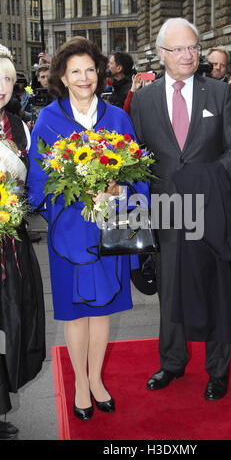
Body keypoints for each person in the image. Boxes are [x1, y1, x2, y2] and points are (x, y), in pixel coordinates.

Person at [131, 18, 231, 401]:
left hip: (210, 205)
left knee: (215, 287)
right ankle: (172, 361)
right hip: (166, 205)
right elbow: (137, 159)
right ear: (161, 54)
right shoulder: (145, 100)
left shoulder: (218, 93)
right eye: (179, 49)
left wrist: (213, 175)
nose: (188, 54)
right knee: (170, 286)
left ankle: (217, 370)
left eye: (193, 47)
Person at [27, 36, 145, 421]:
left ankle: (97, 379)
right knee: (75, 312)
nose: (84, 78)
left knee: (103, 310)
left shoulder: (117, 118)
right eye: (75, 71)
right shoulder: (49, 120)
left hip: (110, 226)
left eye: (90, 69)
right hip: (70, 233)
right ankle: (80, 382)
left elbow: (138, 171)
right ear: (61, 76)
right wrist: (77, 197)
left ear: (100, 73)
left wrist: (118, 188)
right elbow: (38, 181)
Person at [0, 44, 45, 439]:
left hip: (10, 242)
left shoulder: (18, 126)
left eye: (8, 79)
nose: (1, 86)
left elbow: (29, 184)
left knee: (11, 324)